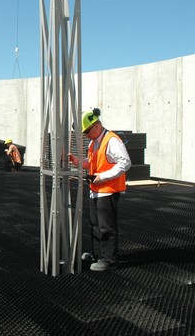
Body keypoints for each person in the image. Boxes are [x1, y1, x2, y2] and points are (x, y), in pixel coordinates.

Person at [68, 108, 131, 271]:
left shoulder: (112, 141)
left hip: (108, 190)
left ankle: (109, 260)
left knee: (106, 227)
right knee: (95, 224)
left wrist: (103, 177)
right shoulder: (94, 142)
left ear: (96, 125)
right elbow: (93, 163)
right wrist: (77, 161)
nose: (86, 135)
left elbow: (125, 162)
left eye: (87, 132)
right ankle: (98, 255)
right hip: (96, 190)